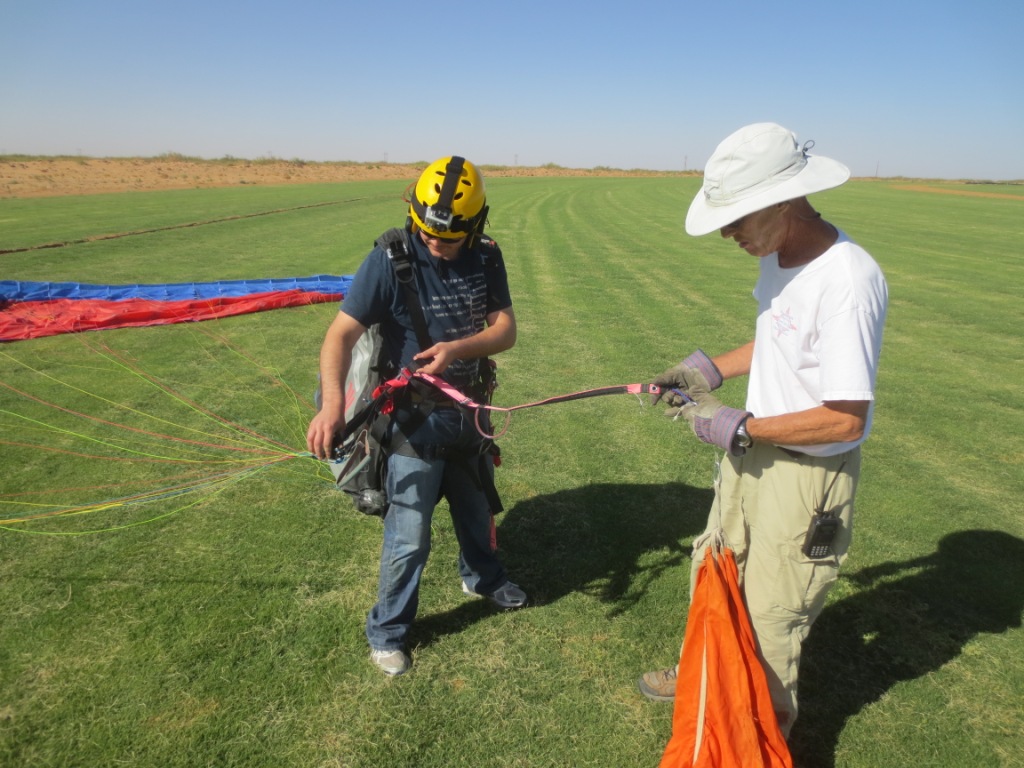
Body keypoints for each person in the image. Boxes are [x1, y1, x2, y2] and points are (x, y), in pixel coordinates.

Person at [638, 123, 888, 736]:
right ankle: (703, 679)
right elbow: (778, 338)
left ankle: (757, 736)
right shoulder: (779, 257)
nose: (728, 232)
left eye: (738, 217)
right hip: (752, 454)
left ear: (786, 201)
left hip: (806, 475)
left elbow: (844, 416)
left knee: (775, 611)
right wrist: (706, 371)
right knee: (716, 568)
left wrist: (738, 427)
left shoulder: (848, 281)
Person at [306, 156, 527, 677]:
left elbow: (506, 330)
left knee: (477, 511)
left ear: (477, 226)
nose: (436, 244)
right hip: (410, 425)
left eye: (449, 239)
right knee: (409, 536)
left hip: (469, 416)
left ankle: (483, 577)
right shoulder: (388, 259)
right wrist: (333, 406)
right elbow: (340, 335)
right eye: (427, 233)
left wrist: (456, 348)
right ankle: (388, 630)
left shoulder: (487, 256)